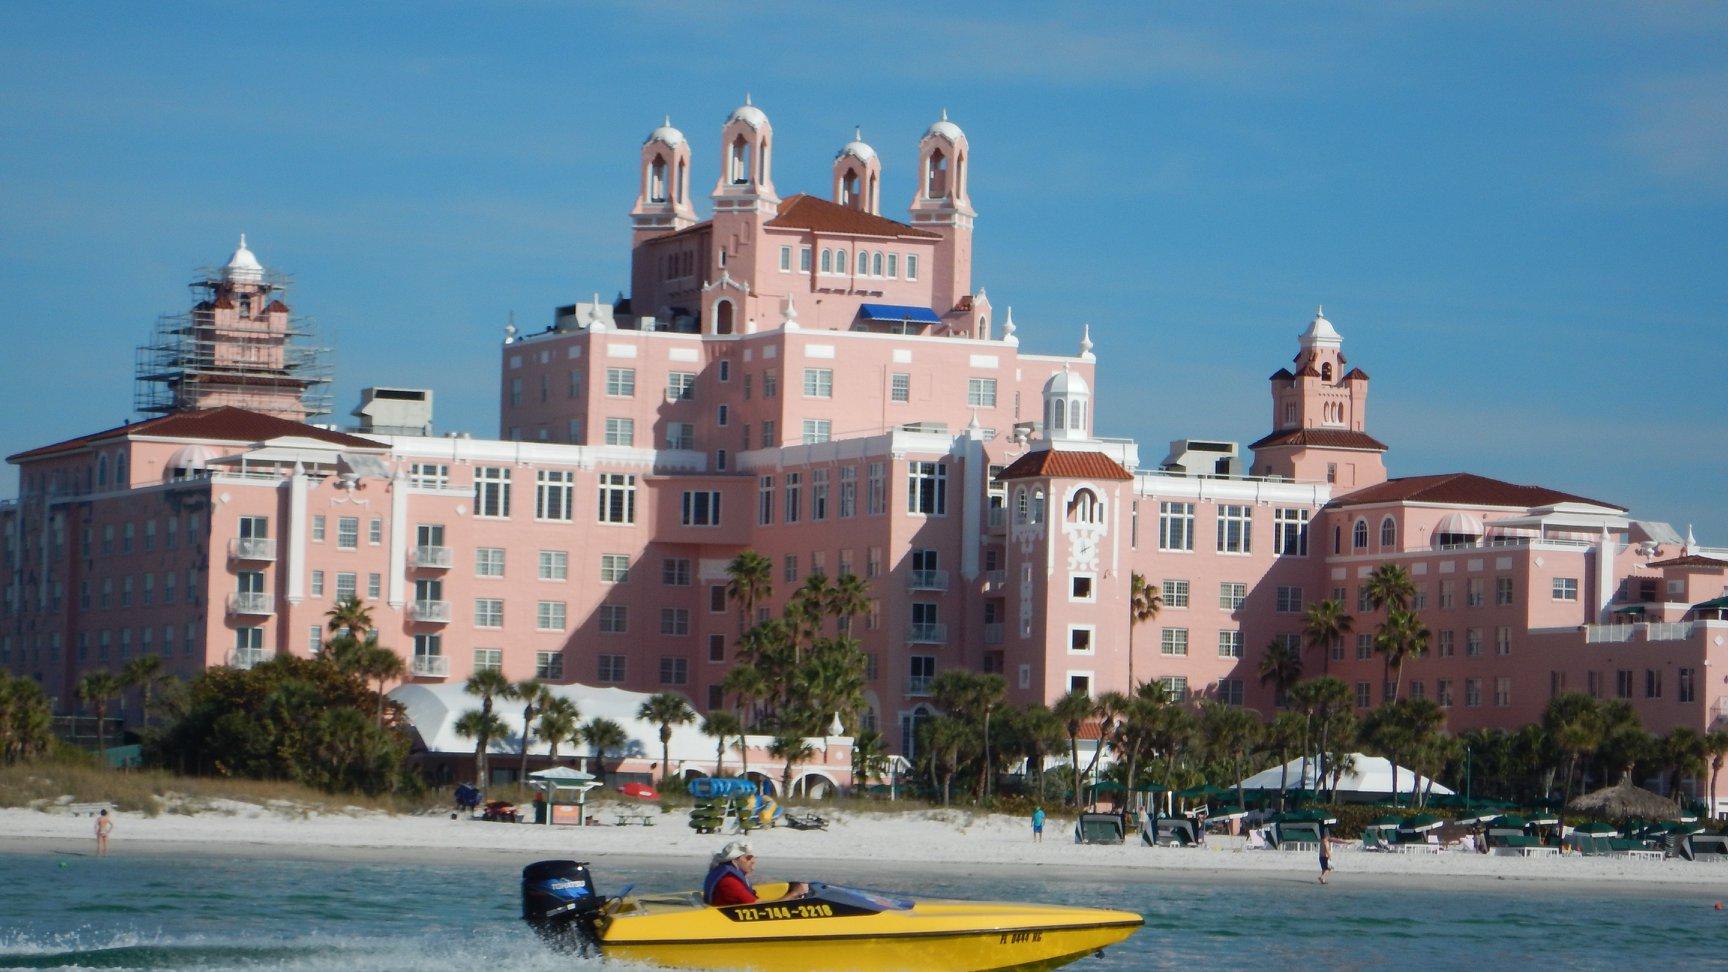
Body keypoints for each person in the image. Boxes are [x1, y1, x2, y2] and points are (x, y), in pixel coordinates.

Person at [702, 842, 808, 906]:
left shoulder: (728, 874)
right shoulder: (729, 881)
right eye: (748, 857)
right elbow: (760, 907)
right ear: (735, 861)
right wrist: (794, 894)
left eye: (752, 857)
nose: (753, 860)